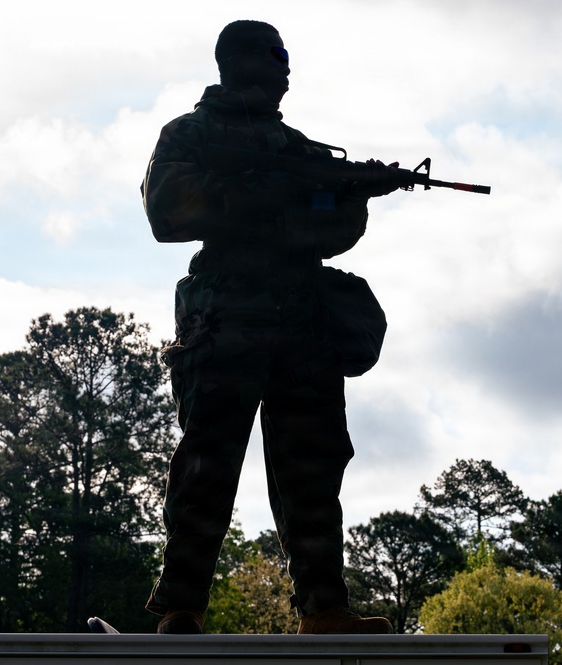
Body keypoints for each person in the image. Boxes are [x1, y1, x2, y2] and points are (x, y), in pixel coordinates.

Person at [141, 19, 399, 635]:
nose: (286, 70)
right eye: (278, 57)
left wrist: (350, 194)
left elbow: (329, 236)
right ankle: (182, 607)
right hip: (226, 313)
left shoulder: (299, 150)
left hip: (300, 317)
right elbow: (166, 212)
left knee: (313, 465)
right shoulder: (192, 134)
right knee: (208, 461)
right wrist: (262, 194)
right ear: (244, 61)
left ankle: (324, 609)